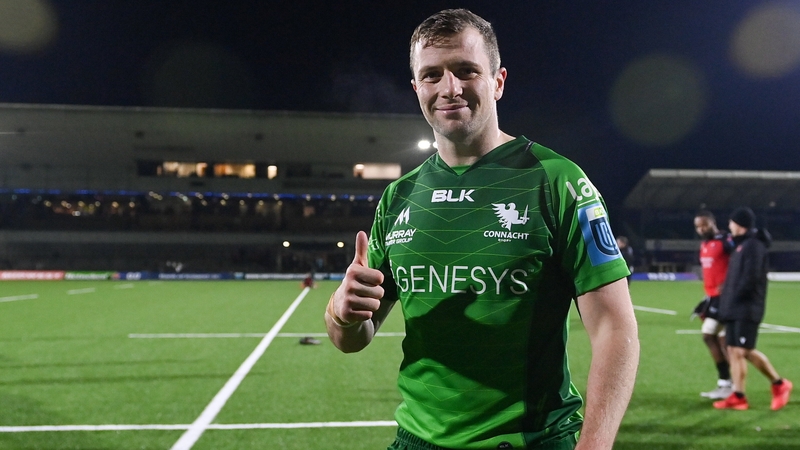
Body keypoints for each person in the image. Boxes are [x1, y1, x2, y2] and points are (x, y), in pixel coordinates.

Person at [325, 9, 639, 450]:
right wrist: (343, 310)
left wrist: (595, 446)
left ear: (498, 81)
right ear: (417, 89)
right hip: (416, 441)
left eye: (466, 71)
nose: (449, 88)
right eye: (431, 75)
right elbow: (350, 340)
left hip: (528, 442)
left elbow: (614, 327)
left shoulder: (557, 180)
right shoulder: (400, 196)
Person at [713, 207, 792, 410]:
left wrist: (733, 300)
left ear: (739, 224)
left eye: (731, 222)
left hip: (746, 308)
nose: (729, 226)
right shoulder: (741, 246)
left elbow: (751, 279)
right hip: (734, 308)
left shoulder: (754, 246)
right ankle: (738, 396)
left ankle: (779, 384)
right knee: (734, 350)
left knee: (742, 350)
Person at [692, 210, 734, 399]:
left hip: (726, 297)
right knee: (719, 340)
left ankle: (729, 384)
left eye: (704, 225)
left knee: (712, 336)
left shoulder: (726, 240)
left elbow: (739, 260)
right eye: (698, 227)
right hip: (712, 298)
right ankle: (728, 384)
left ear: (712, 222)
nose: (701, 229)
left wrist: (730, 283)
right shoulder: (705, 244)